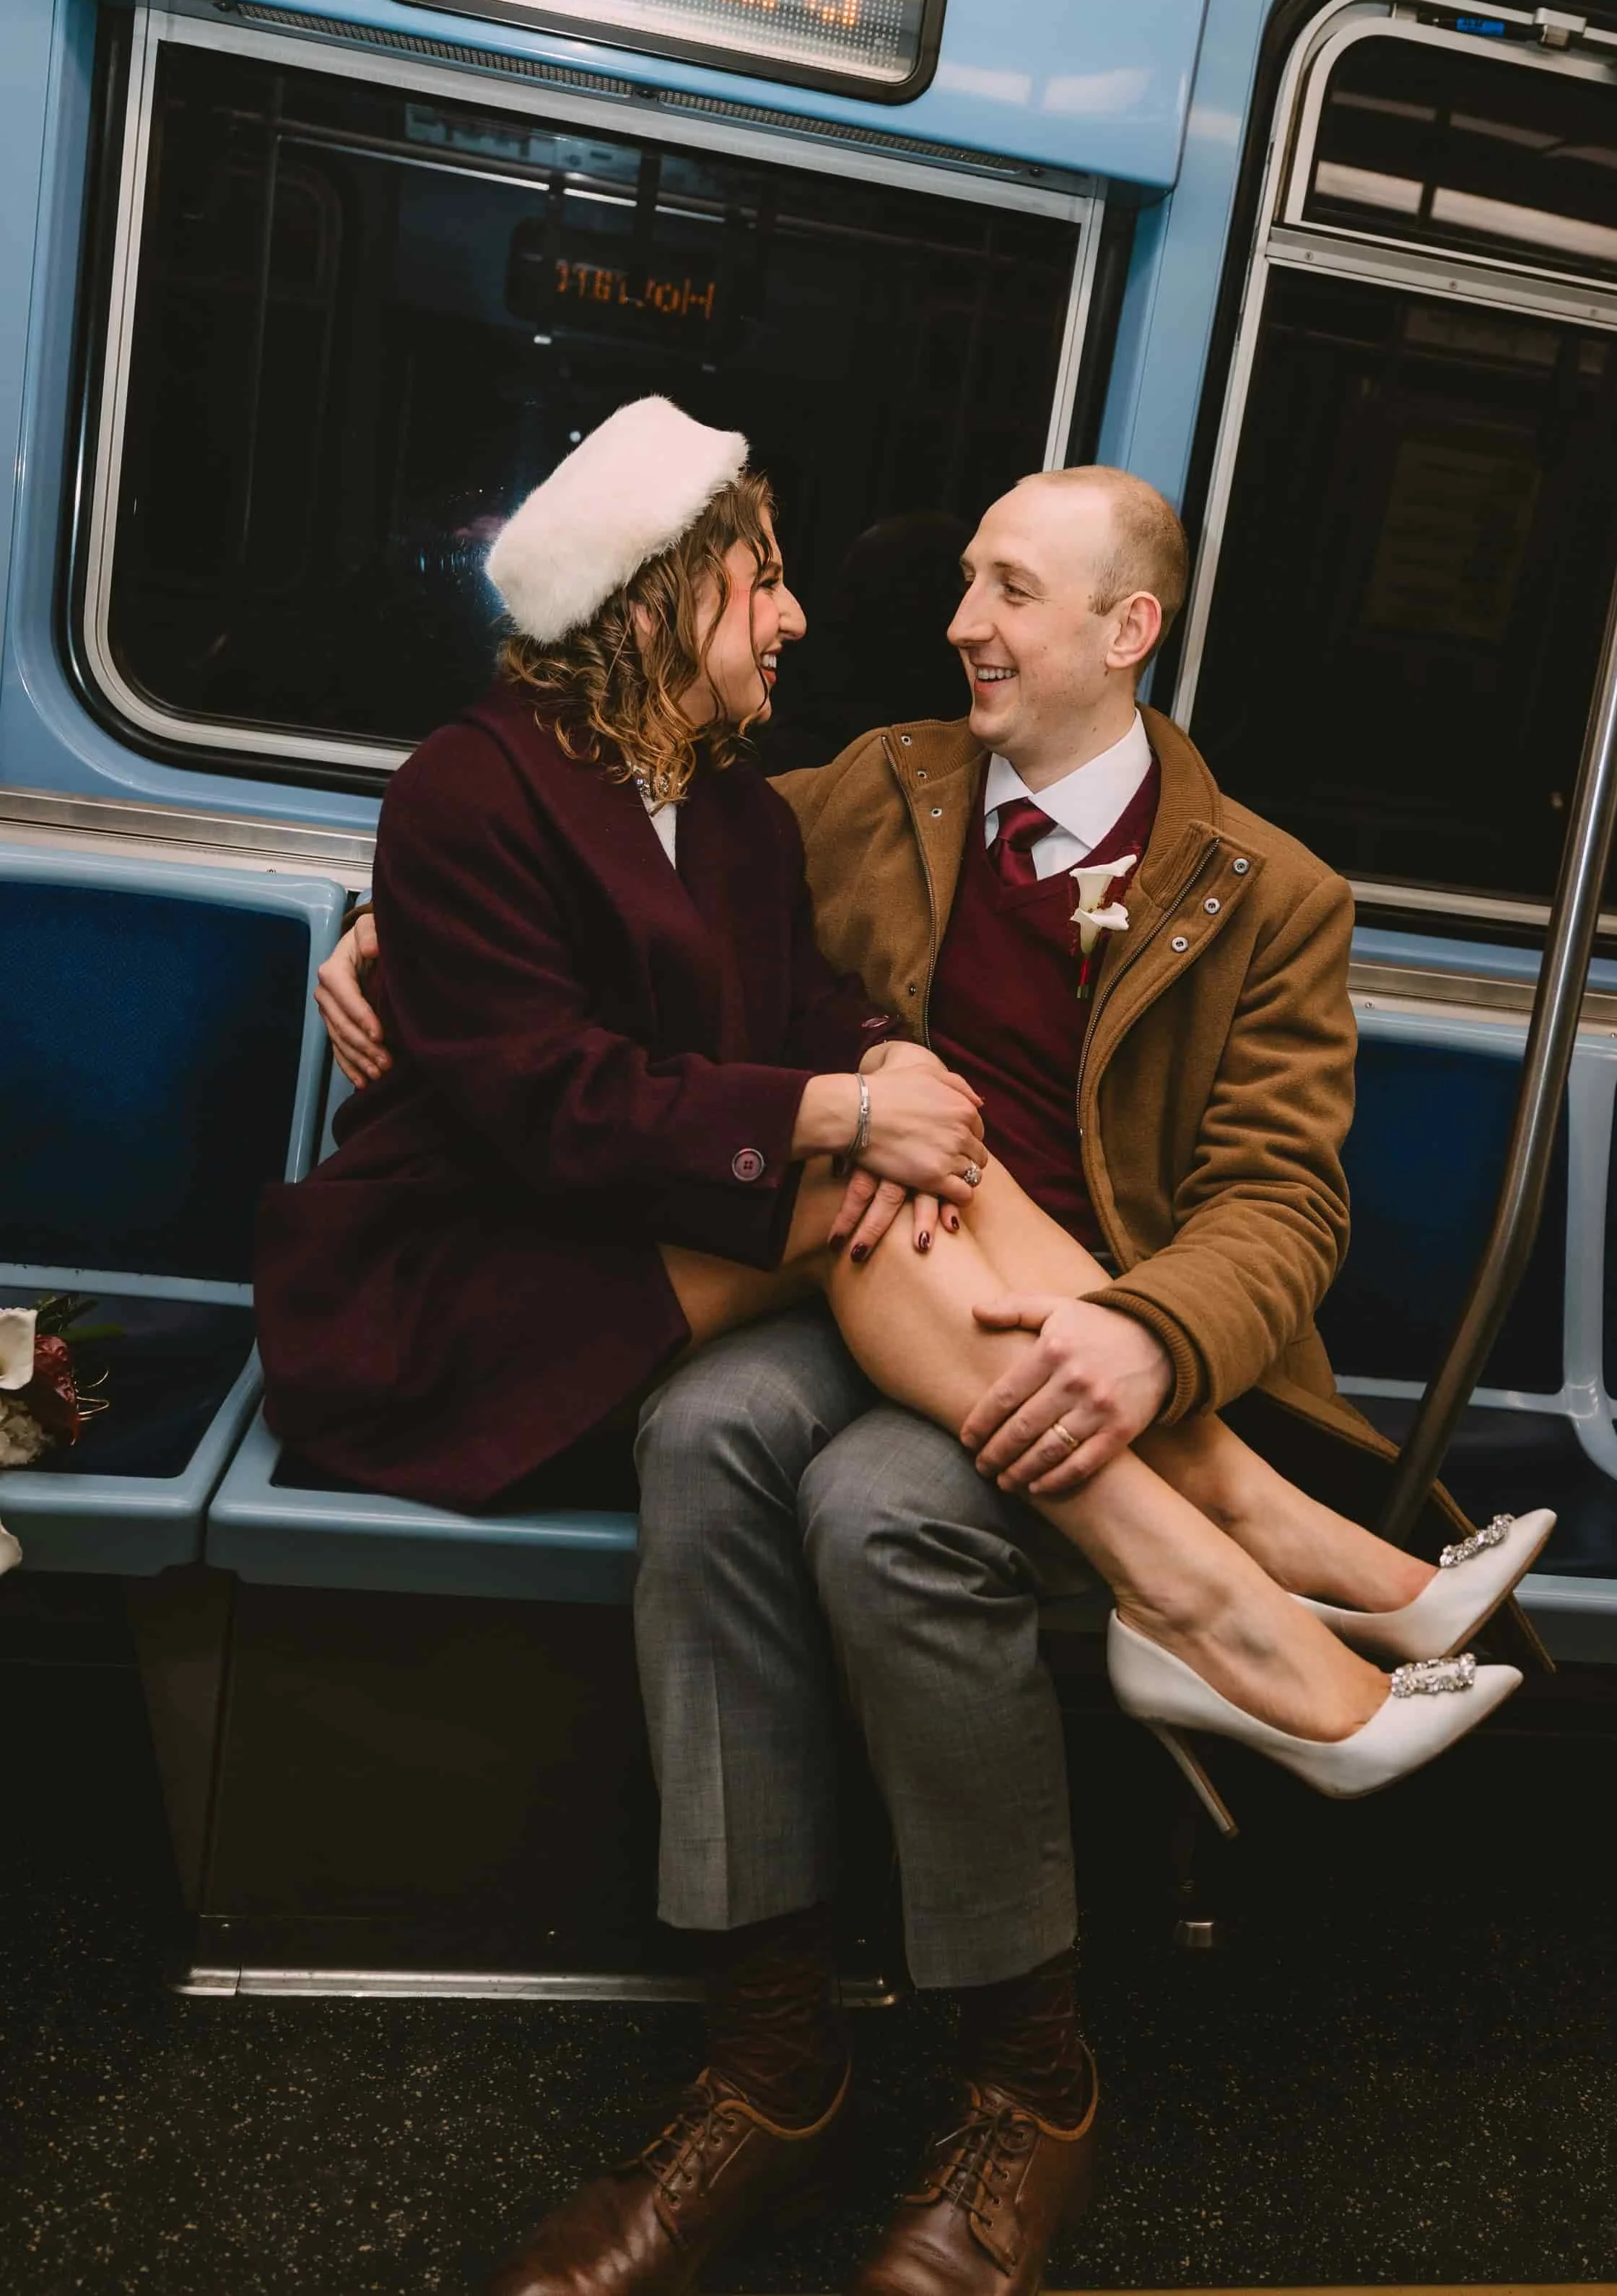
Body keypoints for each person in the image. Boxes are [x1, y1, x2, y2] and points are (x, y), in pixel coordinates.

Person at [304, 425, 1553, 2296]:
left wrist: (1145, 1339)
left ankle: (1019, 2083)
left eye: (1006, 591)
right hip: (854, 1283)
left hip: (1084, 1339)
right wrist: (394, 921)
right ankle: (771, 2054)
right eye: (962, 580)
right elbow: (603, 858)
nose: (954, 622)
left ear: (1127, 629)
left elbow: (1283, 1207)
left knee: (882, 1504)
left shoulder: (1267, 893)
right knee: (713, 1425)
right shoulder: (873, 788)